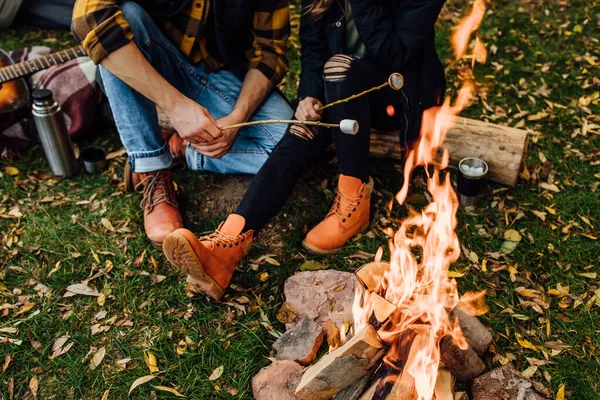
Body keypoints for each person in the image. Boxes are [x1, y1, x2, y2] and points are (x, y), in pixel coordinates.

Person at [162, 0, 447, 300]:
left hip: (396, 97)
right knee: (301, 130)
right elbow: (312, 51)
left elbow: (396, 56)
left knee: (340, 67)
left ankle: (355, 198)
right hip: (338, 92)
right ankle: (227, 247)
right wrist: (309, 95)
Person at [71, 0, 293, 249]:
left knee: (291, 143)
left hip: (219, 73)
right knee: (122, 21)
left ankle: (180, 147)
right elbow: (88, 18)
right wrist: (176, 106)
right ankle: (153, 167)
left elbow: (270, 51)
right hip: (155, 64)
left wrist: (238, 117)